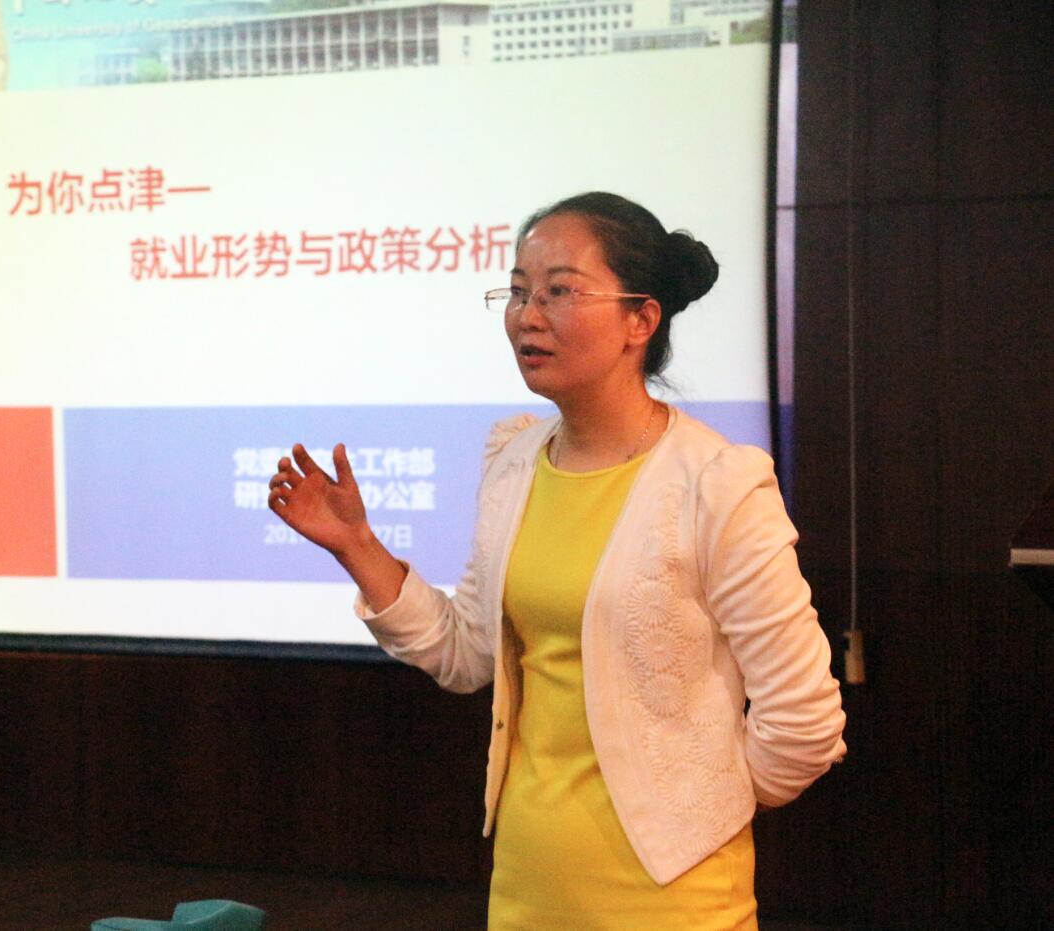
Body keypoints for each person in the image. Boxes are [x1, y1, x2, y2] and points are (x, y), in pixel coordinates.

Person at [267, 192, 846, 929]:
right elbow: (465, 654)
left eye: (560, 291)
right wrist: (358, 544)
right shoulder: (514, 459)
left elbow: (803, 721)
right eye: (518, 292)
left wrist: (700, 802)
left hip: (671, 898)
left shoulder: (716, 483)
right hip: (528, 882)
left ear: (641, 319)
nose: (527, 316)